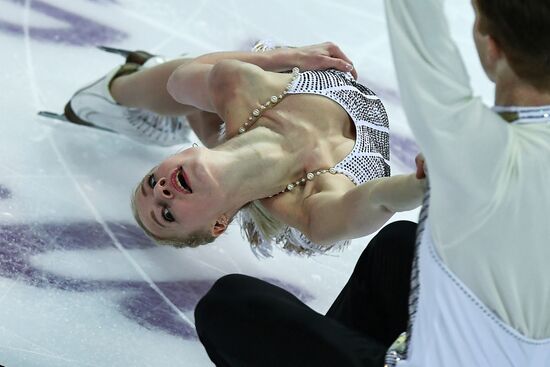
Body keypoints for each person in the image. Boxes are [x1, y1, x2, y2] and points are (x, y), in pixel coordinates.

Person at [194, 0, 550, 366]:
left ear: (491, 46)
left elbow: (419, 27)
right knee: (396, 252)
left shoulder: (469, 138)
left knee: (229, 305)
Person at [55, 42, 425, 256]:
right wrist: (428, 180)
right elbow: (381, 200)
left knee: (184, 85)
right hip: (297, 203)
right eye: (167, 214)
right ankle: (173, 115)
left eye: (151, 183)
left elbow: (186, 77)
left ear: (171, 160)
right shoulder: (314, 209)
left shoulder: (237, 84)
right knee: (196, 97)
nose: (163, 191)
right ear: (219, 224)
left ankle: (112, 92)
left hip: (258, 105)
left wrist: (281, 58)